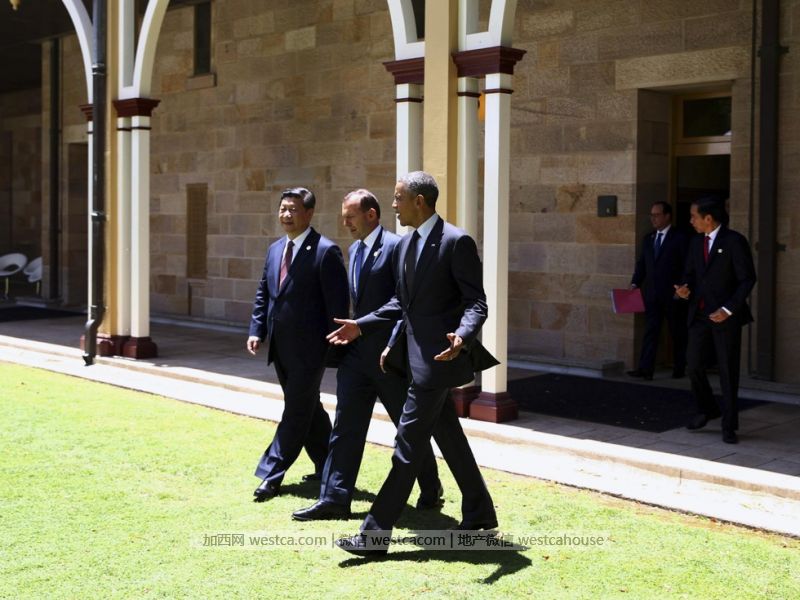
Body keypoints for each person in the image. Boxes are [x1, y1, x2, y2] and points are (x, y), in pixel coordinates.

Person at [327, 171, 498, 557]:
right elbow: (401, 304)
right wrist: (366, 327)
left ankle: (374, 536)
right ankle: (479, 512)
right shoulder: (404, 246)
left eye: (398, 198)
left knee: (406, 446)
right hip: (412, 360)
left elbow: (476, 302)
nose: (393, 205)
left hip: (438, 362)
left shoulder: (456, 242)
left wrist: (462, 334)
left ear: (419, 201)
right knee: (450, 438)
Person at [292, 189, 443, 521]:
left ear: (371, 215)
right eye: (344, 217)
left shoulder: (397, 247)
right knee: (345, 426)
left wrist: (365, 328)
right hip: (356, 358)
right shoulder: (354, 249)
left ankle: (431, 488)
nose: (345, 223)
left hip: (389, 358)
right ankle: (334, 499)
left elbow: (402, 302)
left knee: (408, 429)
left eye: (350, 217)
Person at [247, 187, 349, 501]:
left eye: (293, 209)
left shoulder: (326, 251)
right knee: (308, 408)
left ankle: (271, 473)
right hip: (280, 347)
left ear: (309, 213)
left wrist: (333, 347)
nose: (286, 215)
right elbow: (265, 292)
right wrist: (256, 330)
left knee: (294, 410)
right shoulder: (275, 249)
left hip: (310, 351)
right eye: (283, 209)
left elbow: (337, 306)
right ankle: (328, 463)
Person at [675, 198, 756, 445]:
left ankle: (729, 425)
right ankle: (707, 409)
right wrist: (684, 289)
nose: (691, 221)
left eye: (694, 216)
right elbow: (690, 274)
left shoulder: (734, 241)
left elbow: (747, 279)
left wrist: (728, 309)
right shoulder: (695, 242)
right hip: (699, 315)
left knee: (727, 371)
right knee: (693, 365)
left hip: (725, 317)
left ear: (708, 218)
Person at [627, 201, 689, 381]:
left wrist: (682, 287)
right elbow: (642, 264)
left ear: (667, 216)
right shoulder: (649, 238)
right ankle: (645, 369)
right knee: (651, 332)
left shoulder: (680, 237)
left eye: (657, 215)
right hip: (652, 294)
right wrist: (635, 283)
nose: (653, 219)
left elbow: (687, 265)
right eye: (651, 215)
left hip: (673, 295)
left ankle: (680, 367)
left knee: (677, 332)